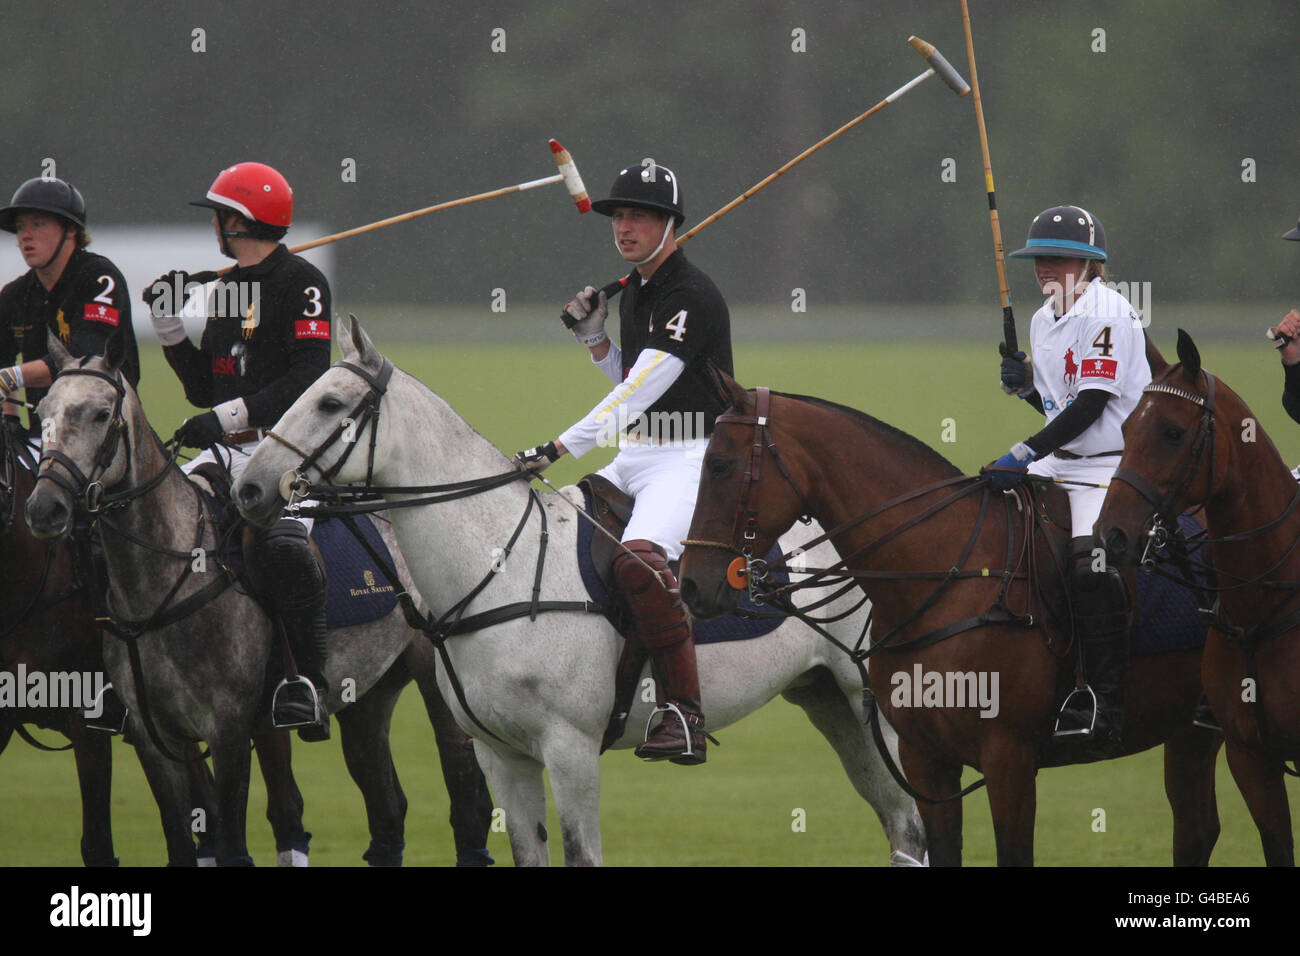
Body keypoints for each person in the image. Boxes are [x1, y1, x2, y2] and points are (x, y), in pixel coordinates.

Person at [515, 162, 732, 764]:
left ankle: (683, 713)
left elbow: (638, 391)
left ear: (669, 224)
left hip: (689, 456)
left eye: (640, 216)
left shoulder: (690, 295)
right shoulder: (638, 291)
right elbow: (629, 378)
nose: (625, 227)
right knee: (554, 541)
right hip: (634, 453)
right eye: (619, 217)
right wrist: (594, 337)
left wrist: (556, 448)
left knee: (639, 564)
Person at [143, 162, 333, 740]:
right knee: (149, 523)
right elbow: (206, 386)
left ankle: (308, 684)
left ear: (239, 220)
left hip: (290, 454)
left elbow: (308, 381)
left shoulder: (302, 285)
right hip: (226, 455)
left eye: (221, 216)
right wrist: (168, 324)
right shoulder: (226, 289)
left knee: (282, 547)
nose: (215, 226)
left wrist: (224, 418)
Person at [985, 205, 1151, 750]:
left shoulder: (1110, 312)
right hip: (1061, 461)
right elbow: (1059, 410)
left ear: (1088, 264)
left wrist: (1022, 451)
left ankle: (1101, 698)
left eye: (1056, 259)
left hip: (1109, 466)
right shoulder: (1041, 319)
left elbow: (1093, 405)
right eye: (1038, 259)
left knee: (1088, 565)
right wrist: (1026, 387)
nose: (1043, 269)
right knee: (991, 523)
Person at [0, 175, 141, 733]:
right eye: (20, 227)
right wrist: (9, 412)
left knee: (100, 533)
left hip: (100, 435)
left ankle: (107, 665)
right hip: (39, 434)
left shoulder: (99, 278)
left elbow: (82, 361)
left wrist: (10, 376)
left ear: (71, 234)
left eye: (38, 225)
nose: (25, 236)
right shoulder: (15, 296)